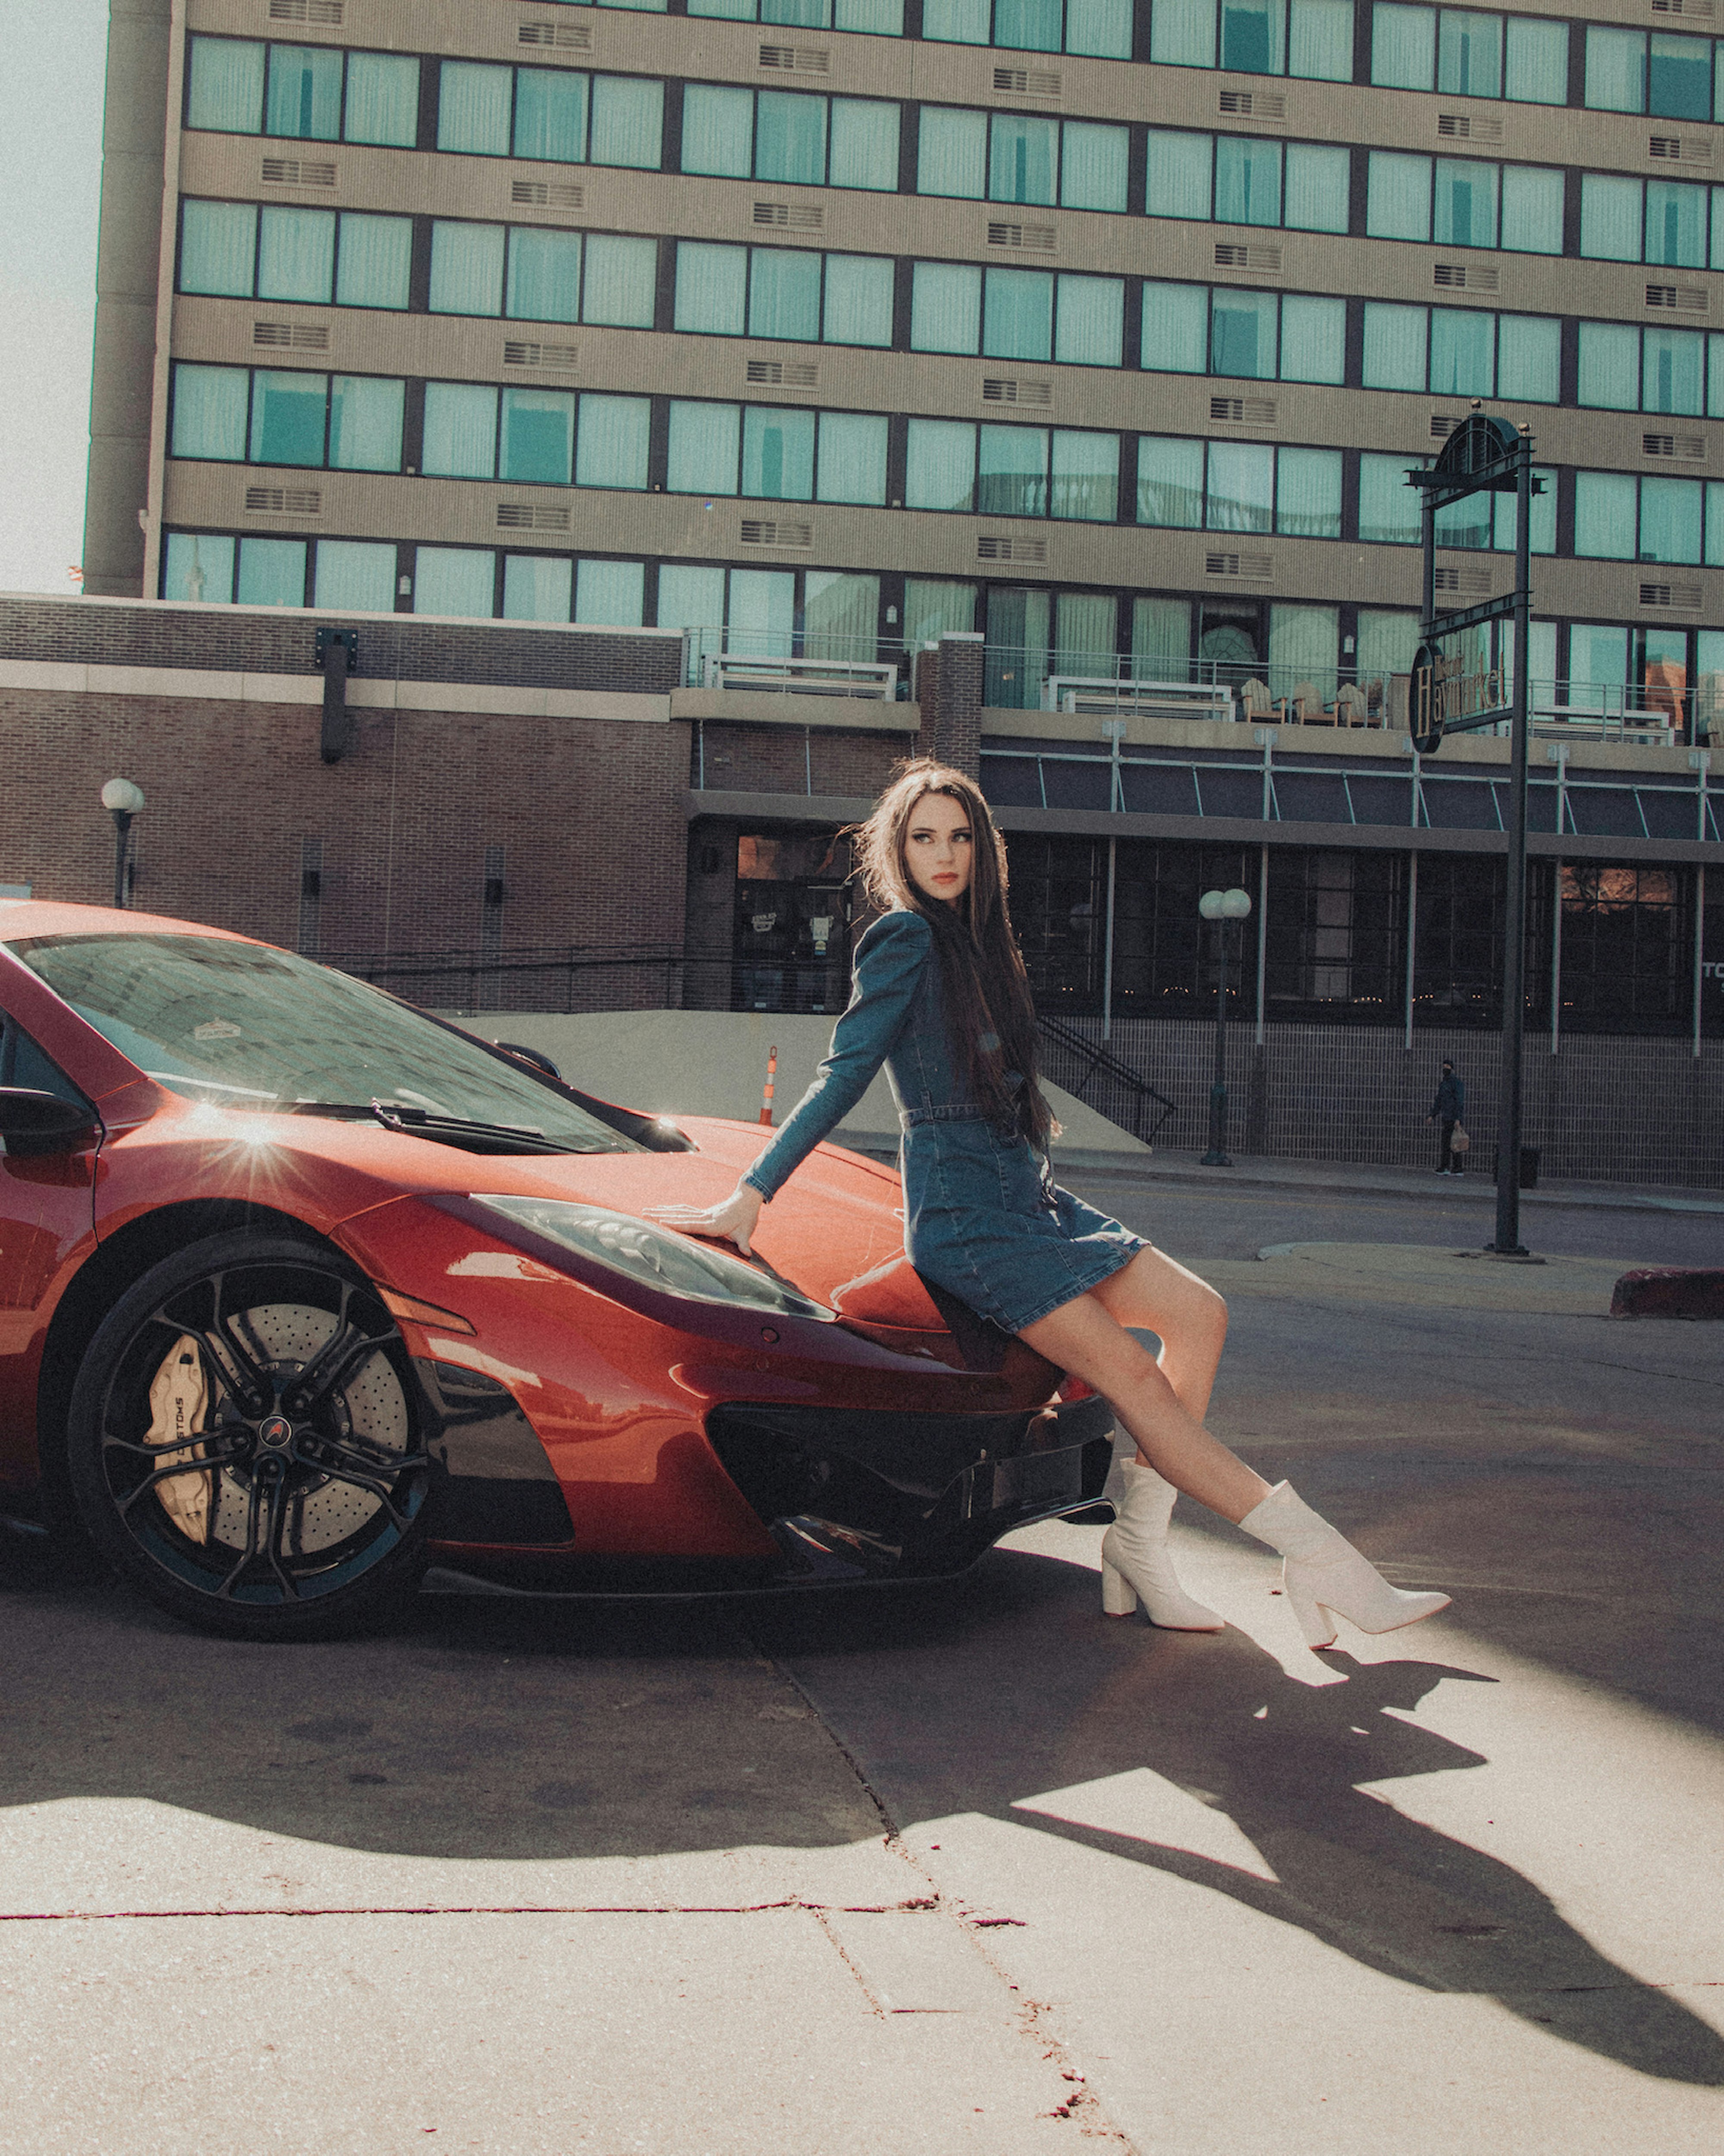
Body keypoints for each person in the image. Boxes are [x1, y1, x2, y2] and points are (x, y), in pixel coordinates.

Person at [649, 761, 1450, 1649]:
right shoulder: (905, 937)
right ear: (896, 849)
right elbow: (843, 1073)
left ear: (981, 846)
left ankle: (1139, 1544)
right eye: (922, 837)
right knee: (1135, 1379)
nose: (943, 853)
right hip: (968, 1216)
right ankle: (1321, 1559)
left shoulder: (979, 941)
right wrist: (752, 1192)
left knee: (1197, 1312)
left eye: (958, 835)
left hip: (1025, 1195)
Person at [1428, 1058, 1465, 1176]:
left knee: (1451, 1143)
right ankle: (1454, 1168)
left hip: (1452, 1117)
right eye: (1445, 1067)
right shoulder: (1446, 1084)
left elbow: (1459, 1101)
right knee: (1451, 1142)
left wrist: (1458, 1118)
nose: (1446, 1069)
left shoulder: (1453, 1084)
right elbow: (1439, 1101)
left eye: (1448, 1067)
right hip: (1448, 1117)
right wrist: (1432, 1115)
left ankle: (1450, 1167)